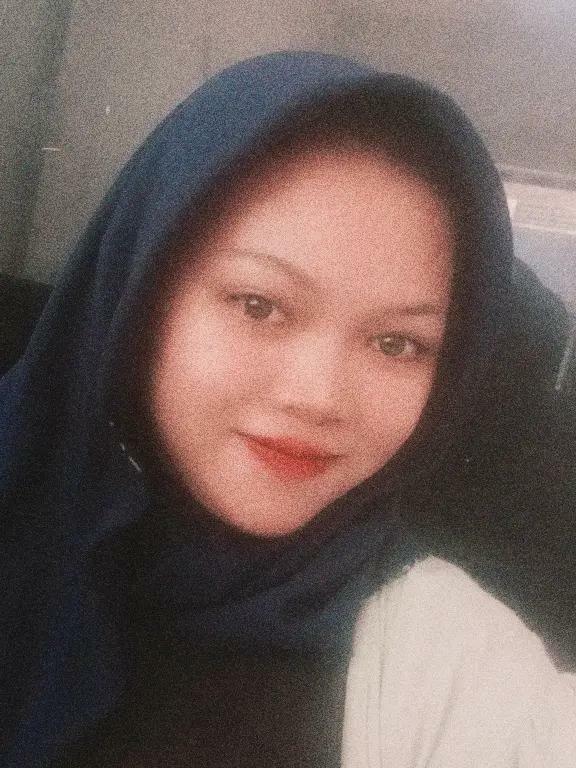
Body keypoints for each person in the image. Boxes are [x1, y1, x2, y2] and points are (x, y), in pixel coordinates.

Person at [1, 51, 575, 768]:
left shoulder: (453, 664)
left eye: (397, 343)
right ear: (140, 294)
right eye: (260, 305)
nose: (319, 397)